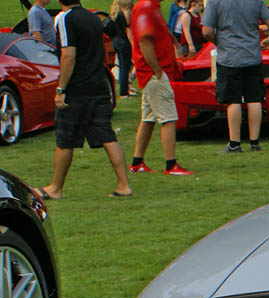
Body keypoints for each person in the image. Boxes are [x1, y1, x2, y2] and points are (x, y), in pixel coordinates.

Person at [40, 0, 132, 199]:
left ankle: (55, 188)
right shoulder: (93, 17)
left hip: (77, 88)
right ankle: (124, 185)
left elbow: (68, 55)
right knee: (107, 135)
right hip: (98, 84)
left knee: (65, 139)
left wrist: (61, 88)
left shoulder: (64, 19)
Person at [128, 0, 194, 176]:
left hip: (152, 73)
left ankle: (137, 162)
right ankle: (170, 164)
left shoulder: (149, 7)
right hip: (155, 74)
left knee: (148, 118)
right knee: (168, 118)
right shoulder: (147, 7)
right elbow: (144, 40)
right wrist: (157, 70)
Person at [202, 0, 269, 153]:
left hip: (229, 57)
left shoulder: (215, 2)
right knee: (254, 98)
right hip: (252, 56)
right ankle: (254, 142)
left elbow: (206, 31)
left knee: (232, 100)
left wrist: (219, 42)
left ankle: (234, 143)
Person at [109, 0, 134, 96]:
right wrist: (133, 44)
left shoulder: (115, 13)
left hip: (116, 41)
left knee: (122, 66)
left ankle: (125, 89)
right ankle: (124, 92)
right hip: (124, 42)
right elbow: (128, 31)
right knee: (125, 67)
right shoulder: (126, 13)